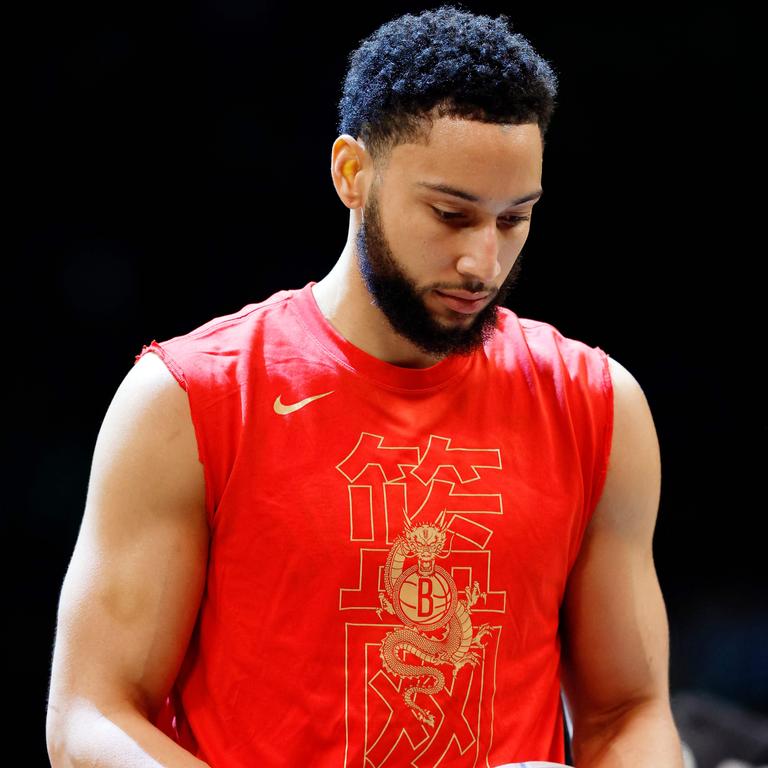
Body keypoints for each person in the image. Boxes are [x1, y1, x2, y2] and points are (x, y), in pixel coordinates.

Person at [46, 5, 684, 767]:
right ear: (352, 173)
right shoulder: (191, 399)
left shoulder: (598, 404)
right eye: (450, 215)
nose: (484, 262)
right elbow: (90, 716)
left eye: (514, 220)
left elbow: (629, 711)